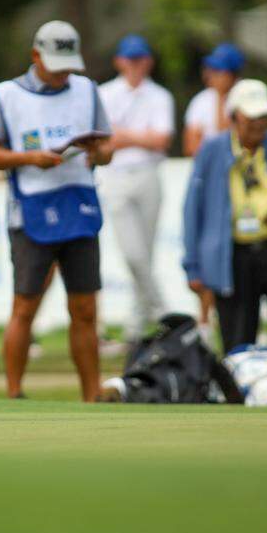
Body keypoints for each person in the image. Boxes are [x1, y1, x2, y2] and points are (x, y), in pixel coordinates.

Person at [0, 20, 114, 401]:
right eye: (56, 64)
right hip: (31, 211)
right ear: (36, 56)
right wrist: (29, 158)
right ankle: (14, 393)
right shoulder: (7, 95)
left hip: (80, 206)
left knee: (85, 309)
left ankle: (91, 396)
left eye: (68, 64)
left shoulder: (87, 90)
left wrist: (96, 151)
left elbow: (108, 149)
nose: (63, 73)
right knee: (25, 307)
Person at [182, 79, 267, 378]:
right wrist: (192, 266)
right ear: (234, 117)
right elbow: (193, 210)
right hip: (234, 255)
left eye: (263, 117)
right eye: (251, 117)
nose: (259, 124)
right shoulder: (212, 151)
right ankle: (240, 396)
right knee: (237, 336)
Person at [97, 34, 174, 343]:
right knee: (133, 254)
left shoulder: (160, 96)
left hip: (147, 174)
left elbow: (161, 140)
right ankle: (164, 313)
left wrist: (125, 136)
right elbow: (104, 139)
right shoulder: (105, 93)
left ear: (148, 62)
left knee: (146, 253)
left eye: (140, 60)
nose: (135, 66)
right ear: (119, 62)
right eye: (130, 60)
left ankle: (135, 326)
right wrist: (139, 137)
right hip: (115, 176)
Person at [183, 42, 245, 340]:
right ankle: (205, 319)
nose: (210, 75)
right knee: (207, 250)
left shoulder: (244, 101)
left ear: (231, 75)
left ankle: (229, 318)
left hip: (238, 188)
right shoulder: (200, 101)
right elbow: (194, 145)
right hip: (208, 186)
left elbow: (232, 142)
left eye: (218, 70)